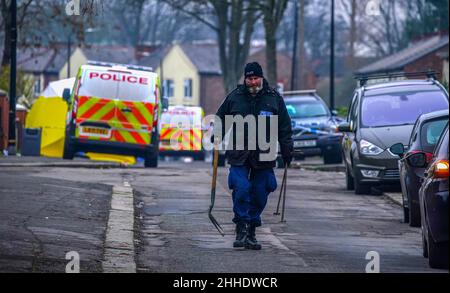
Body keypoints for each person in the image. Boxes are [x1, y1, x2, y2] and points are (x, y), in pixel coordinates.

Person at [213, 62, 293, 250]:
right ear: (245, 79)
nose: (253, 81)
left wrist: (287, 148)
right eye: (249, 78)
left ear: (262, 78)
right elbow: (220, 118)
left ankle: (251, 229)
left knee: (261, 190)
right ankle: (241, 227)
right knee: (241, 188)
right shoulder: (234, 97)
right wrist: (217, 135)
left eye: (256, 78)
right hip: (239, 152)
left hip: (264, 154)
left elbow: (284, 127)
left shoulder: (274, 99)